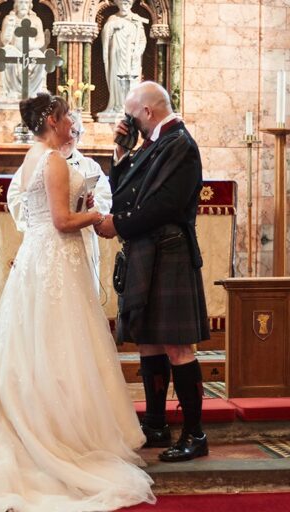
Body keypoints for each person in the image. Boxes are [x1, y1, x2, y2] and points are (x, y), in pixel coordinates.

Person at [0, 92, 154, 512]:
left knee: (39, 341)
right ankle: (62, 432)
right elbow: (62, 221)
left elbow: (39, 211)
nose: (72, 120)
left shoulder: (33, 155)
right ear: (52, 119)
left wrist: (80, 206)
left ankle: (39, 420)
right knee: (63, 342)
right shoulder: (55, 159)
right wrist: (95, 217)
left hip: (40, 256)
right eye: (67, 115)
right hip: (57, 255)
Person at [96, 81, 210, 462]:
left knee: (177, 345)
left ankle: (195, 434)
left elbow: (163, 205)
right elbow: (124, 193)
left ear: (146, 112)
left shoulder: (179, 144)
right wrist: (119, 152)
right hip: (149, 249)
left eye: (131, 115)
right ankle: (157, 423)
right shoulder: (155, 144)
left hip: (170, 250)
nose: (129, 122)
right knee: (147, 338)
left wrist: (119, 225)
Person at [8, 111, 112, 293]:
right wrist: (46, 211)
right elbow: (17, 196)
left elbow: (104, 198)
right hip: (47, 241)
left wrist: (90, 206)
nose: (71, 138)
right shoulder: (36, 161)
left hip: (81, 241)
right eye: (69, 131)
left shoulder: (90, 167)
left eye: (76, 133)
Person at [100, 0, 148, 116]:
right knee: (117, 81)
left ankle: (130, 107)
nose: (124, 7)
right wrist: (112, 26)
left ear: (130, 5)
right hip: (116, 55)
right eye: (121, 4)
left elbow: (142, 40)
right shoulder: (113, 18)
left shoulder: (137, 20)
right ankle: (117, 105)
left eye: (126, 4)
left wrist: (138, 51)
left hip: (131, 56)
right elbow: (105, 34)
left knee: (130, 81)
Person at [0, 0, 47, 101]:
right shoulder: (9, 19)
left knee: (40, 57)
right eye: (21, 2)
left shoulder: (36, 20)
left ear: (30, 5)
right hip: (14, 49)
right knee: (7, 55)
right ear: (16, 5)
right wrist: (10, 26)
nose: (23, 5)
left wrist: (33, 45)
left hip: (31, 50)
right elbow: (4, 40)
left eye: (26, 3)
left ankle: (33, 91)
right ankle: (13, 91)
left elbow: (41, 40)